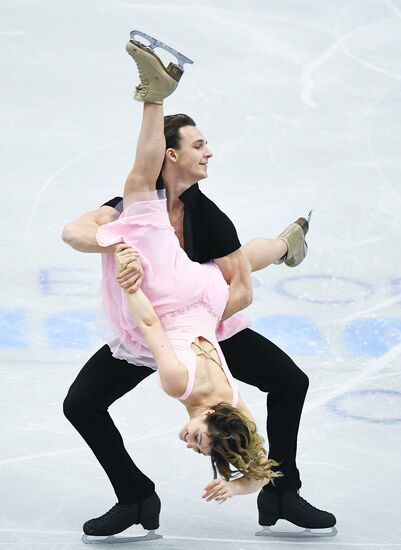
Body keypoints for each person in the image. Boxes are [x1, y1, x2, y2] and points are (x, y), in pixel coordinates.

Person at [62, 35, 336, 538]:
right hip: (166, 325)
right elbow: (75, 232)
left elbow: (240, 291)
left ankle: (282, 491)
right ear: (172, 154)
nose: (210, 152)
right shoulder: (133, 209)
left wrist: (197, 320)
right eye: (199, 145)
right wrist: (115, 246)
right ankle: (136, 496)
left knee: (289, 378)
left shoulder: (210, 219)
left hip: (201, 322)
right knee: (80, 405)